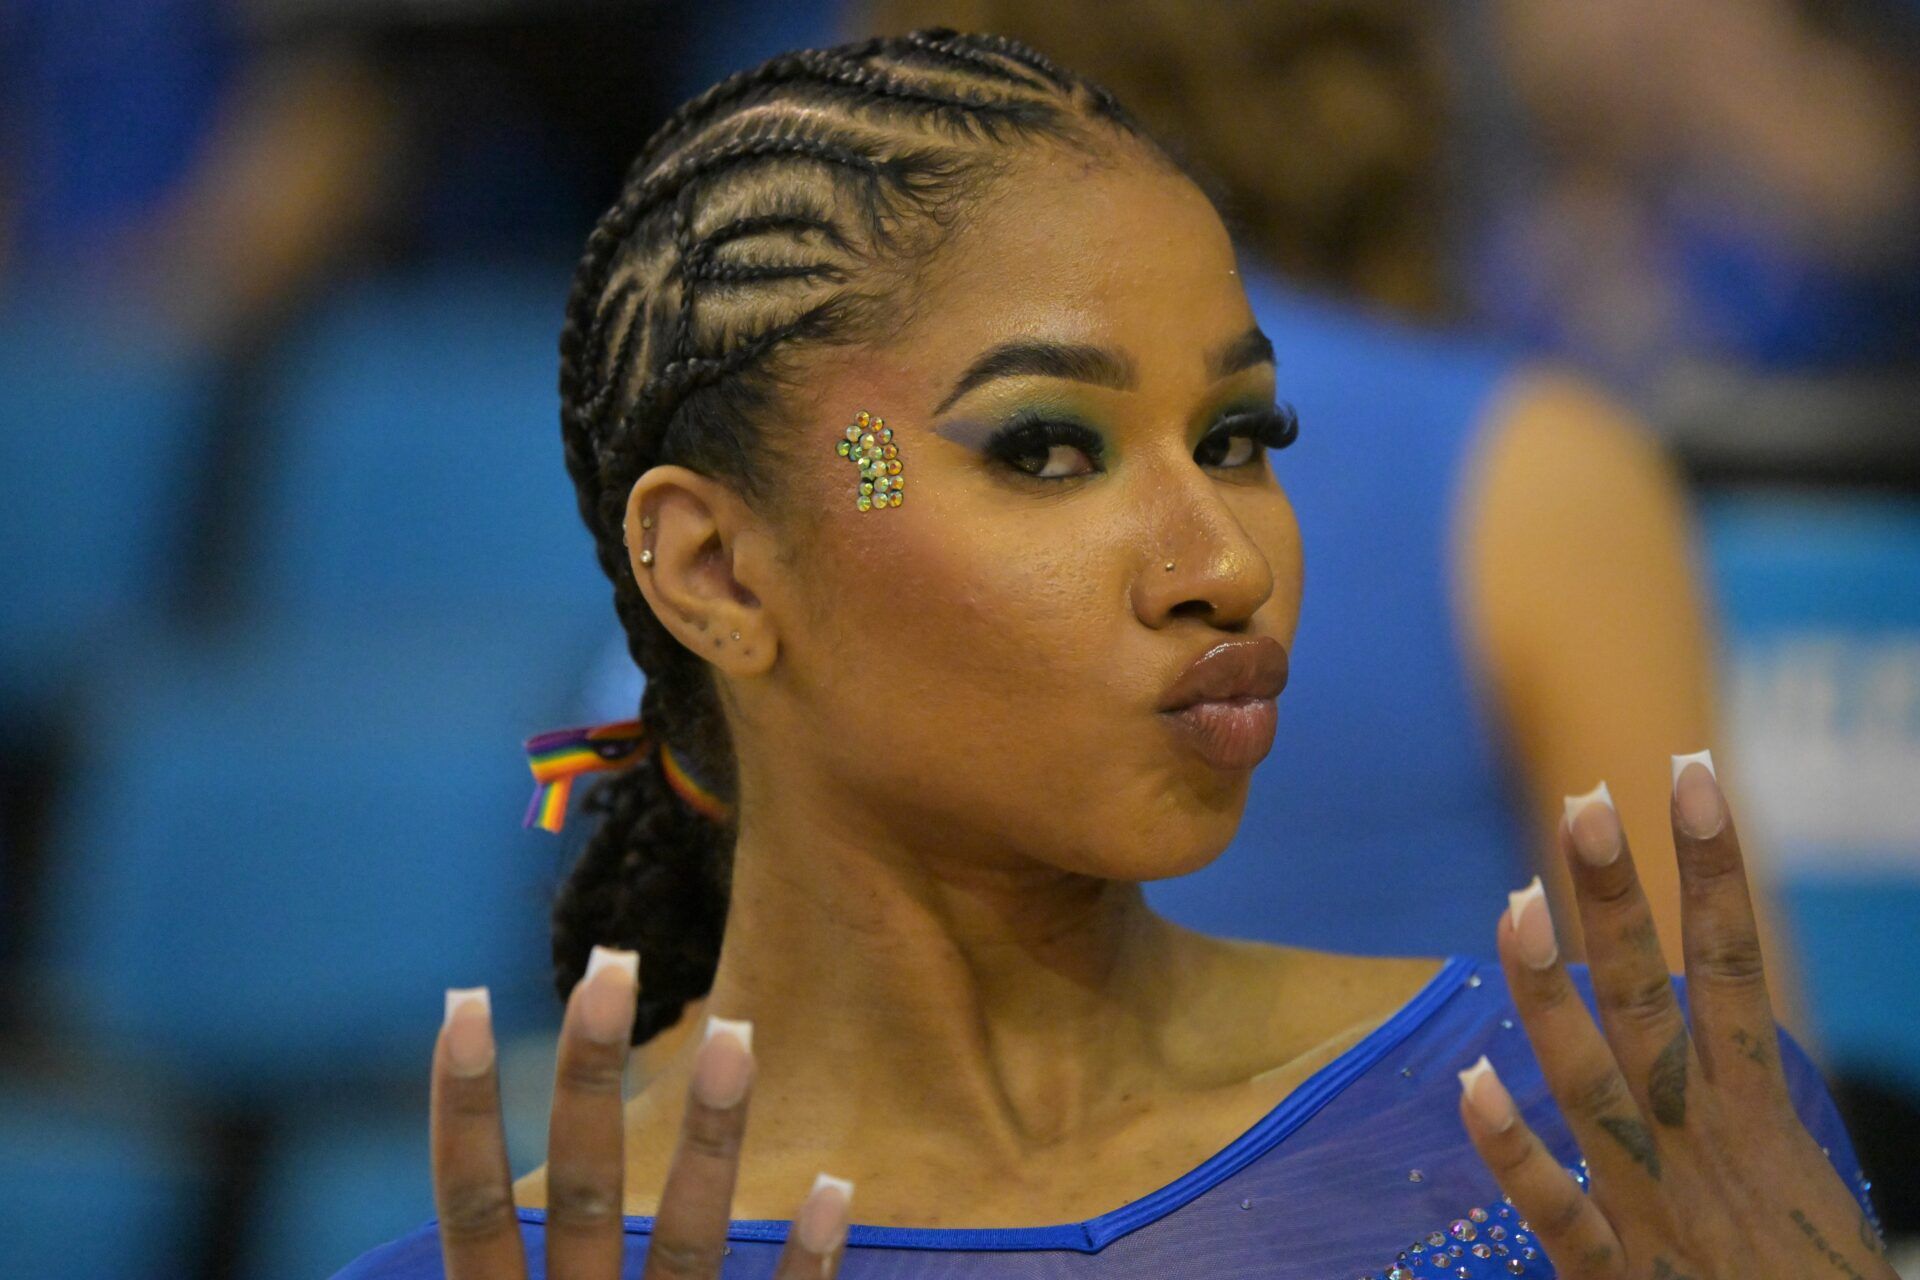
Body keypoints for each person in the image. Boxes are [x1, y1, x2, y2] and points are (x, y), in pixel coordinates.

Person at [333, 31, 1885, 1280]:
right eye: (1046, 450)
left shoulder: (1595, 1135)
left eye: (1237, 437)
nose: (1224, 563)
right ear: (719, 567)